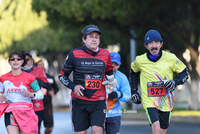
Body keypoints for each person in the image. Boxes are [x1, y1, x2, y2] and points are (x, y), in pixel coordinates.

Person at [58, 24, 117, 134]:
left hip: (99, 102)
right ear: (84, 39)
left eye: (97, 37)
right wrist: (73, 86)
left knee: (97, 131)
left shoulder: (105, 54)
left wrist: (112, 80)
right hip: (79, 102)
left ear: (99, 40)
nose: (94, 39)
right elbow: (62, 76)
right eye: (91, 36)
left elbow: (109, 70)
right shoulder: (74, 54)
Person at [130, 30, 189, 134]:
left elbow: (184, 72)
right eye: (150, 43)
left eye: (156, 42)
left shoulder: (170, 58)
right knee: (156, 127)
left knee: (162, 130)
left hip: (166, 100)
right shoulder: (140, 60)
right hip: (149, 100)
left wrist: (175, 82)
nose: (154, 46)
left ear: (161, 44)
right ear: (146, 46)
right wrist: (134, 90)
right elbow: (133, 72)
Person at [0, 50, 44, 134]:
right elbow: (0, 94)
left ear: (22, 61)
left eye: (18, 59)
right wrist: (1, 97)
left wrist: (31, 94)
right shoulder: (3, 78)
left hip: (26, 112)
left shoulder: (30, 77)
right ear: (9, 62)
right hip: (10, 112)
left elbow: (40, 94)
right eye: (12, 59)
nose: (15, 61)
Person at [22, 52, 50, 134]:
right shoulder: (17, 71)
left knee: (36, 129)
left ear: (32, 60)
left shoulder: (39, 70)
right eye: (24, 59)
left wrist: (36, 81)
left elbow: (47, 85)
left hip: (37, 106)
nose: (26, 61)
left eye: (28, 59)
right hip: (22, 106)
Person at [104, 52, 131, 134]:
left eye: (115, 64)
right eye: (110, 63)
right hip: (98, 113)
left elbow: (128, 96)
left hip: (114, 115)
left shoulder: (122, 77)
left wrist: (118, 94)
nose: (113, 67)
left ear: (119, 65)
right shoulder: (99, 74)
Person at [34, 57, 59, 134]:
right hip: (36, 106)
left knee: (49, 128)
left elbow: (56, 88)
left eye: (43, 65)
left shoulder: (50, 77)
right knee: (37, 129)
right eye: (39, 65)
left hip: (47, 105)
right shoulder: (33, 78)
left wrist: (53, 92)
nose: (41, 66)